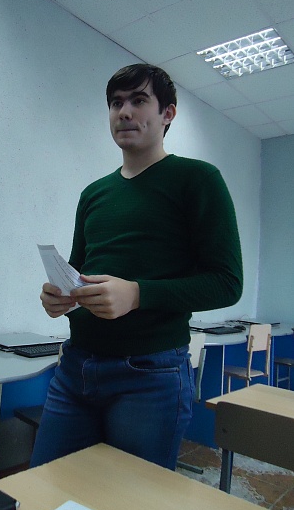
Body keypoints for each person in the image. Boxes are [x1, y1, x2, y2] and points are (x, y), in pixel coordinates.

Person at [31, 63, 243, 470]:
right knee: (48, 490)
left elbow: (227, 282)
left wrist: (137, 294)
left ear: (168, 113)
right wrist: (60, 295)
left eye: (138, 100)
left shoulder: (198, 179)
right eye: (116, 103)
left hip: (150, 375)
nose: (124, 112)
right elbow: (80, 269)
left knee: (128, 502)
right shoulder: (94, 193)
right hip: (76, 366)